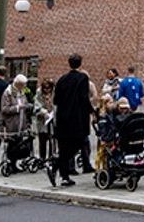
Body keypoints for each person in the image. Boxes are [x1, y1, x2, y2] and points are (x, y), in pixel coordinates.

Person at [53, 54, 93, 188]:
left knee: (64, 147)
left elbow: (56, 100)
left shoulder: (62, 79)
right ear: (80, 64)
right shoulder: (83, 78)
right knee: (78, 143)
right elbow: (84, 98)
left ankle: (64, 176)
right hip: (77, 119)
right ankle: (57, 165)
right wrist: (92, 111)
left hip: (62, 118)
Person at [0, 74, 30, 154]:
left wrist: (27, 106)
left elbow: (25, 103)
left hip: (20, 124)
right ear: (18, 84)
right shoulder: (8, 93)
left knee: (19, 146)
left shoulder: (21, 92)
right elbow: (4, 109)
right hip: (11, 124)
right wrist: (17, 108)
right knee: (12, 146)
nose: (24, 86)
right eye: (23, 85)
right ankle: (11, 163)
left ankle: (15, 164)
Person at [33, 79, 55, 160]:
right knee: (42, 140)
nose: (47, 90)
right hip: (42, 120)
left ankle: (51, 157)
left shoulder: (54, 93)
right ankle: (42, 158)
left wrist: (52, 112)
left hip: (52, 119)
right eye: (45, 88)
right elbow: (37, 105)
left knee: (52, 139)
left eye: (49, 88)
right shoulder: (39, 93)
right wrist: (44, 112)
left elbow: (56, 104)